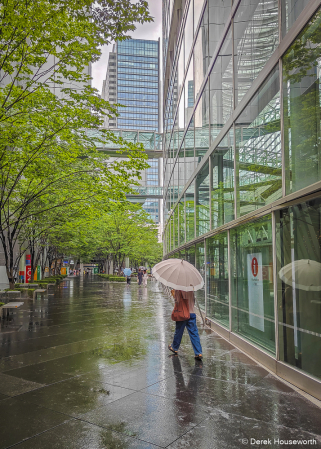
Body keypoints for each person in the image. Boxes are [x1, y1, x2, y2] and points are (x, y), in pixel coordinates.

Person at [168, 289, 203, 360]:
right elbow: (193, 301)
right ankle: (198, 352)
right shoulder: (191, 289)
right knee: (194, 333)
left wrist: (174, 295)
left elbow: (177, 301)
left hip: (182, 314)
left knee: (179, 331)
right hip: (192, 313)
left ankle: (174, 347)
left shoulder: (179, 288)